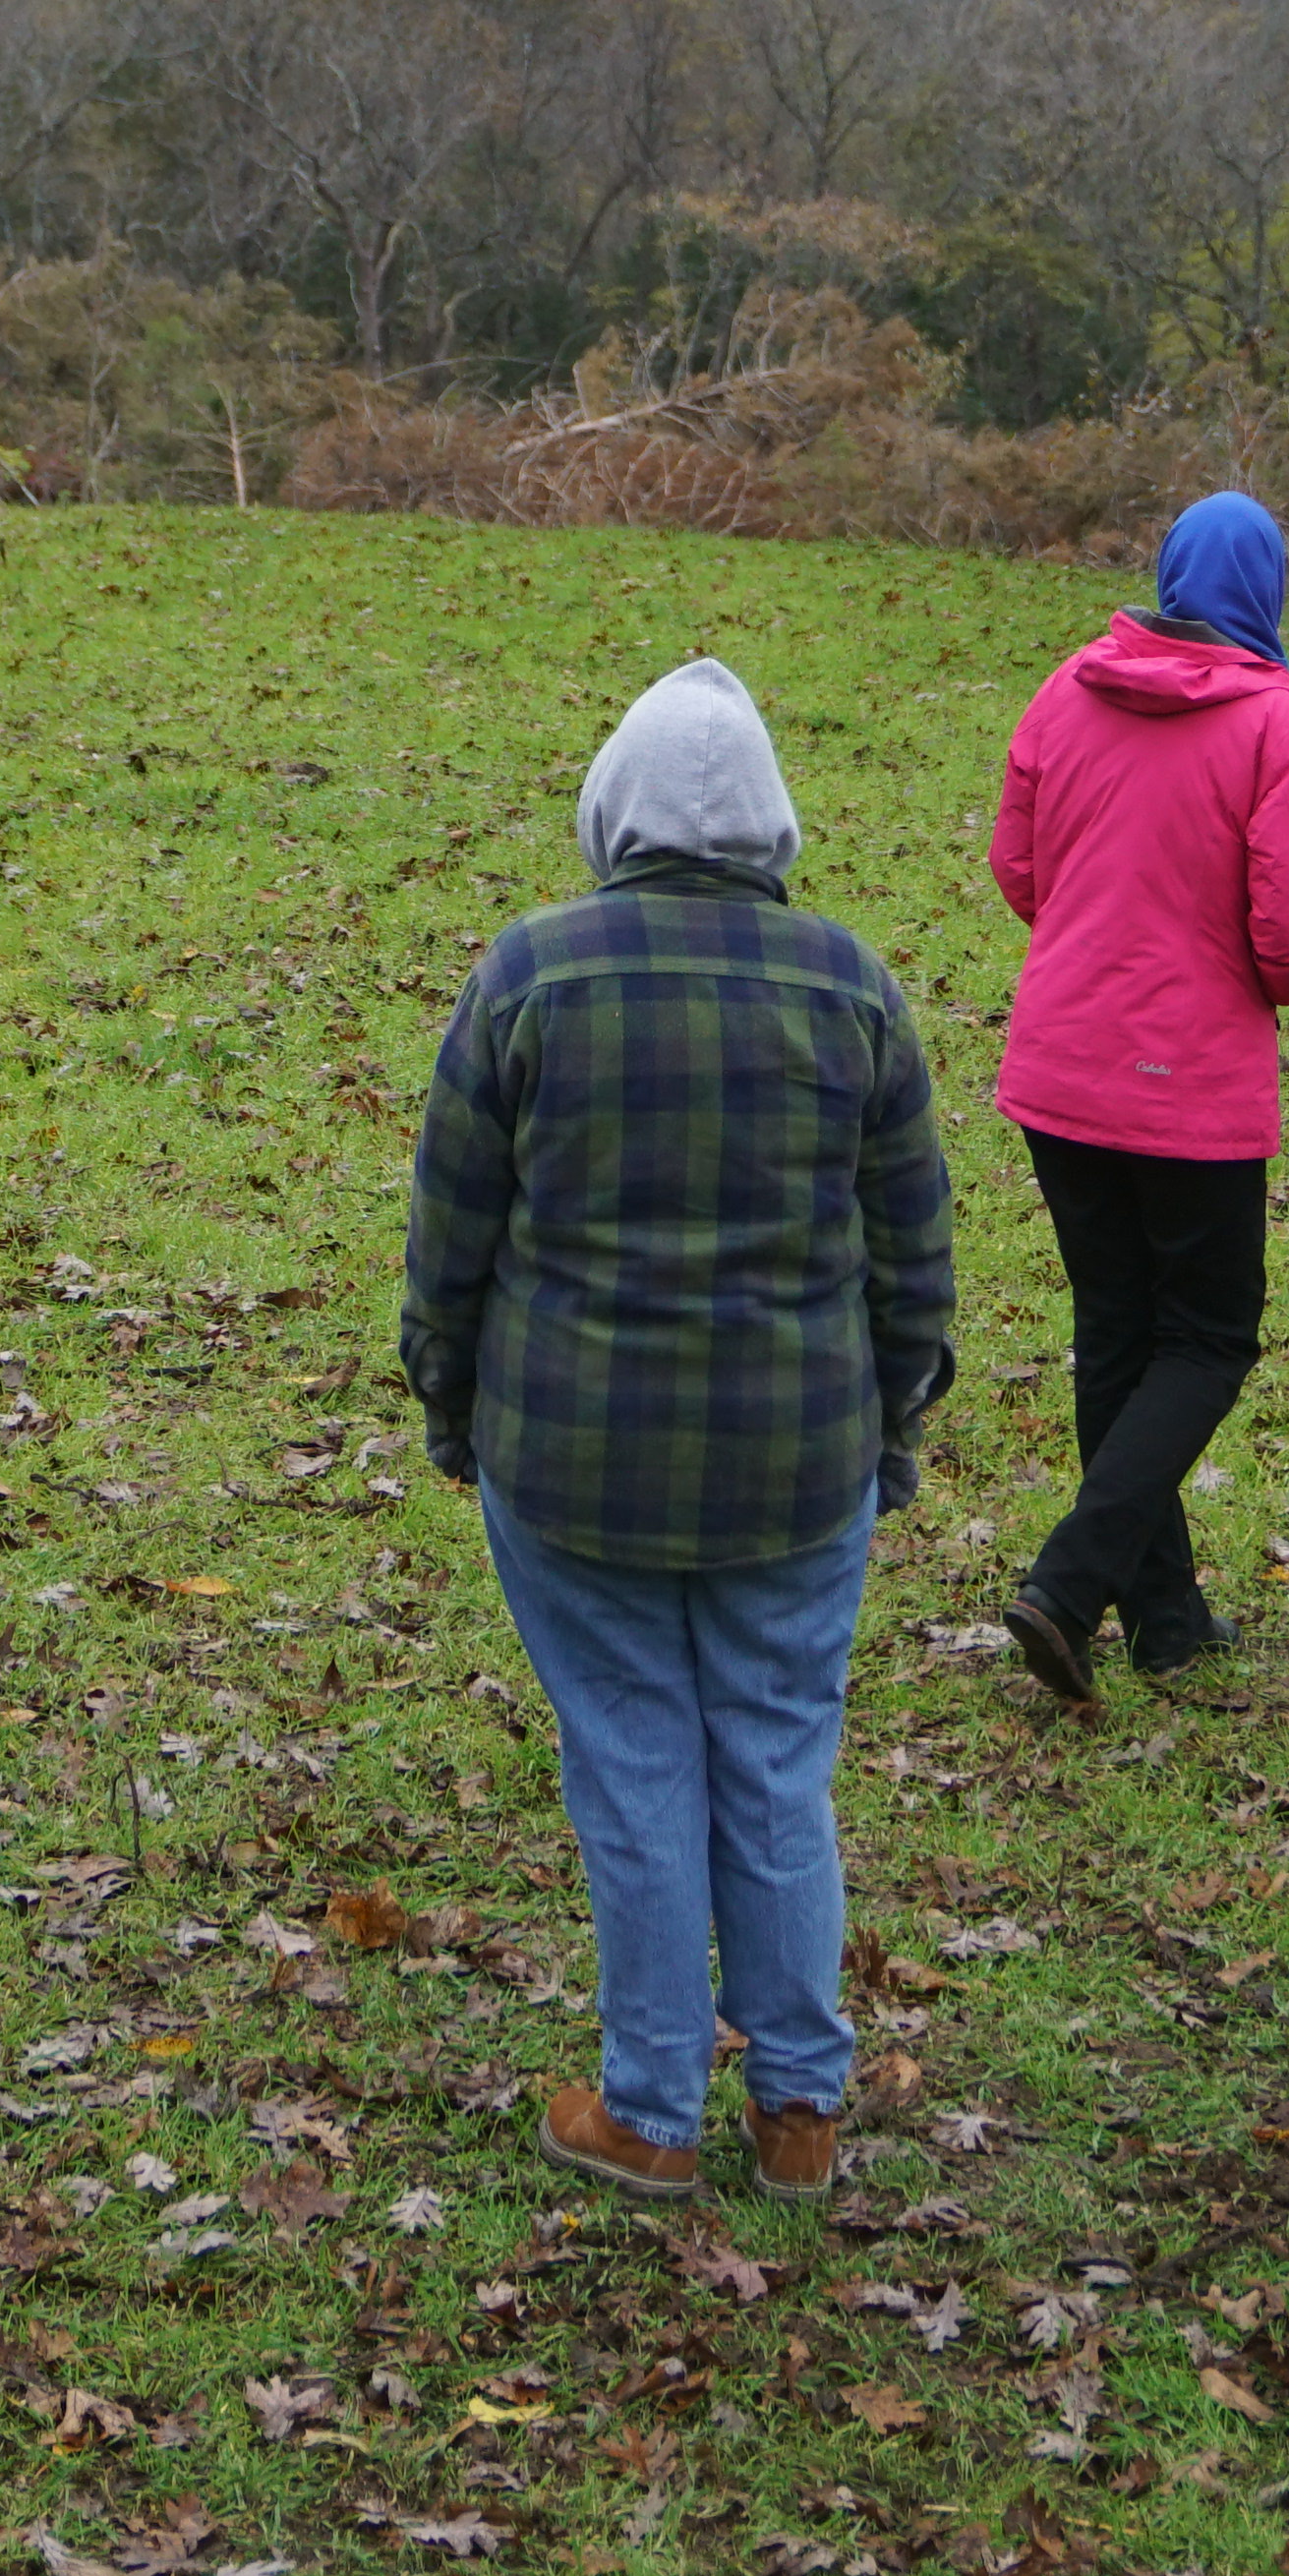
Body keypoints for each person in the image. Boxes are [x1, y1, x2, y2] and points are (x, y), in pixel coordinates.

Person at [405, 657, 956, 2204]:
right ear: (773, 822)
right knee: (778, 1763)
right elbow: (914, 1254)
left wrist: (451, 1406)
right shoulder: (851, 986)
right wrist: (891, 1424)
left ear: (612, 808)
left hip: (572, 1459)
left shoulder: (529, 975)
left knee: (635, 1761)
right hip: (796, 1461)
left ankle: (652, 2106)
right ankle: (797, 2110)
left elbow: (451, 1235)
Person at [973, 489, 1289, 1708]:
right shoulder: (1271, 725)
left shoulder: (1064, 687)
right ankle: (1070, 1585)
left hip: (1060, 1063)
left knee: (1116, 1333)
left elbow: (1017, 868)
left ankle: (1168, 1622)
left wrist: (1098, 941)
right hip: (1185, 1082)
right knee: (1206, 1335)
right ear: (1269, 594)